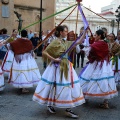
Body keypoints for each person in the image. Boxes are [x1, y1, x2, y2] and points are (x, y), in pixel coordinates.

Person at [33, 25, 86, 118]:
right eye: (65, 31)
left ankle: (68, 108)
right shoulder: (55, 41)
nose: (67, 33)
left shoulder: (65, 42)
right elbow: (45, 52)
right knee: (55, 86)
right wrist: (54, 59)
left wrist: (84, 32)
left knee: (68, 86)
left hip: (67, 66)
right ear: (61, 32)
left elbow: (79, 41)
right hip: (56, 68)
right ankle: (51, 104)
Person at [79, 30, 118, 109]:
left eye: (96, 35)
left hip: (97, 64)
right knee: (105, 81)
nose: (94, 36)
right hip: (104, 65)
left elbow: (89, 51)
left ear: (100, 36)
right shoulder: (105, 43)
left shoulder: (97, 44)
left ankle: (85, 98)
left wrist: (83, 47)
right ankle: (105, 102)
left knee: (89, 79)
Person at [6, 30, 41, 94]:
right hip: (27, 58)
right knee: (26, 71)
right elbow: (31, 50)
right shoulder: (29, 41)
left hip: (18, 58)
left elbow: (9, 46)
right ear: (26, 34)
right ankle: (24, 86)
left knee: (19, 71)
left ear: (21, 34)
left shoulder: (17, 41)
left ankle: (21, 85)